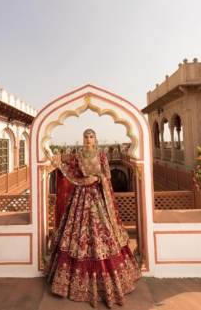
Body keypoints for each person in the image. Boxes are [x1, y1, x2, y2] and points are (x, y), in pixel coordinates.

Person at [43, 129, 141, 308]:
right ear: (83, 139)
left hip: (97, 197)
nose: (88, 139)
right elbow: (69, 170)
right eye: (85, 137)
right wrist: (54, 163)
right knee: (76, 231)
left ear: (95, 139)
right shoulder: (78, 156)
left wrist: (96, 177)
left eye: (91, 137)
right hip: (80, 197)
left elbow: (108, 175)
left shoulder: (102, 155)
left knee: (101, 232)